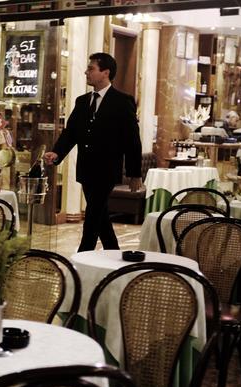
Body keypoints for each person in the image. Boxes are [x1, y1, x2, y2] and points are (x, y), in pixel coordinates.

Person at [43, 52, 142, 252]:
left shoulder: (122, 101)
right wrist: (57, 153)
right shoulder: (82, 101)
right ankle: (113, 253)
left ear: (105, 72)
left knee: (92, 216)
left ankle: (82, 256)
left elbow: (132, 140)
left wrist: (135, 174)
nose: (86, 72)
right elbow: (71, 133)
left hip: (107, 171)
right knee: (100, 215)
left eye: (91, 68)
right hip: (85, 169)